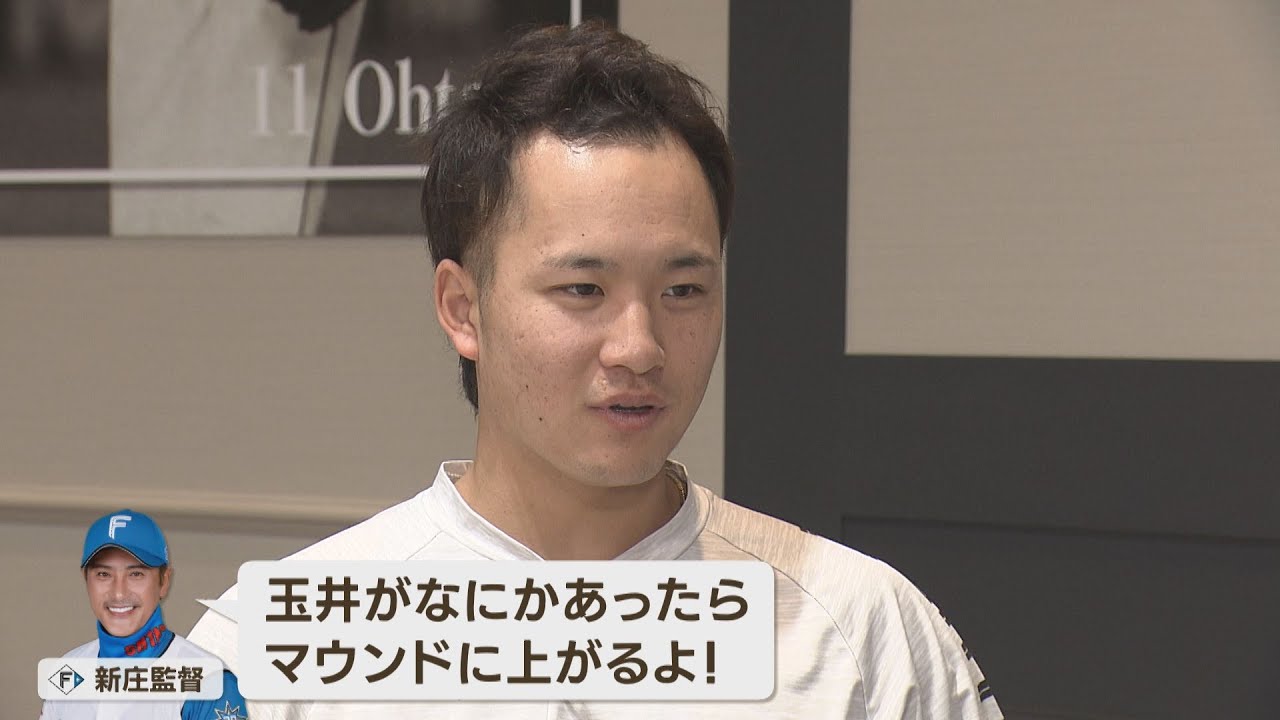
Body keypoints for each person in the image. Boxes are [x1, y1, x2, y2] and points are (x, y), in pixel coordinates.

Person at [188, 20, 1003, 719]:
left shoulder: (862, 631)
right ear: (463, 309)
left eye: (683, 290)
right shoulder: (271, 647)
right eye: (583, 290)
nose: (640, 347)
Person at [41, 509, 248, 720]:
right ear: (86, 580)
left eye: (136, 574)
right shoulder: (67, 670)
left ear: (164, 581)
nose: (118, 593)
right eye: (103, 574)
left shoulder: (209, 682)